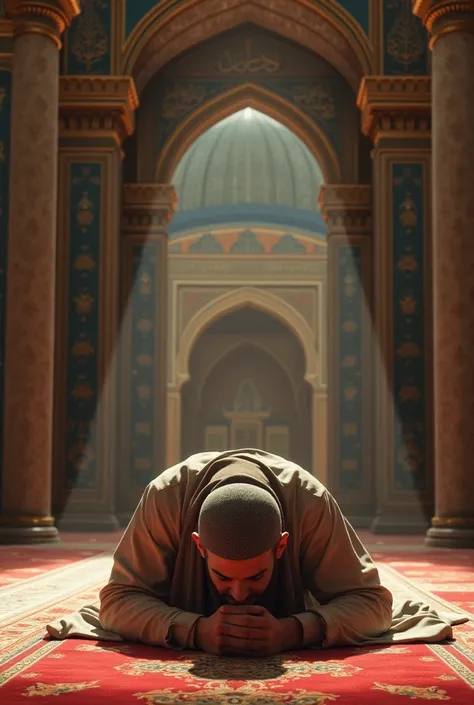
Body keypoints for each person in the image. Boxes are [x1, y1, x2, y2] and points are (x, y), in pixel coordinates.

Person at [47, 449, 466, 654]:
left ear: (282, 545)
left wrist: (293, 630)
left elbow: (373, 604)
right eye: (222, 577)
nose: (240, 595)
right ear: (198, 547)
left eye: (257, 576)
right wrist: (193, 629)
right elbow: (117, 601)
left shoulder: (309, 503)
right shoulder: (165, 499)